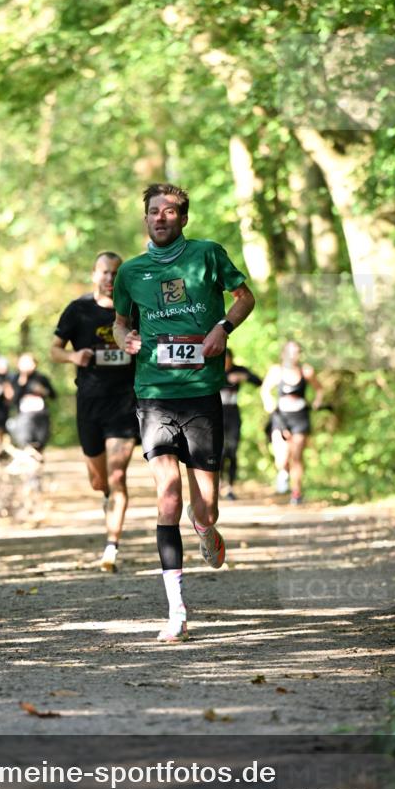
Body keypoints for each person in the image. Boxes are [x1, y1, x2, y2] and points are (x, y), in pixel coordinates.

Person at [113, 183, 255, 642]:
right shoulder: (131, 272)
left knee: (205, 507)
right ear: (146, 218)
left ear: (183, 218)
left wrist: (222, 328)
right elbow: (119, 321)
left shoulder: (208, 254)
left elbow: (245, 298)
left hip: (200, 394)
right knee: (168, 494)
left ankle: (204, 527)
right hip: (153, 393)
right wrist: (124, 340)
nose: (160, 218)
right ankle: (176, 611)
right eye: (153, 212)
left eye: (169, 212)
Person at [51, 252, 139, 572]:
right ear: (94, 275)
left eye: (116, 274)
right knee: (98, 480)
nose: (110, 279)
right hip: (89, 403)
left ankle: (111, 547)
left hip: (125, 402)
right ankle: (105, 495)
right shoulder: (78, 310)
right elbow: (54, 350)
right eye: (105, 272)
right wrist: (73, 358)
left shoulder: (132, 309)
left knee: (118, 476)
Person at [260, 340, 324, 505]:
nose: (294, 355)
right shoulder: (276, 371)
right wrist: (268, 401)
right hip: (280, 417)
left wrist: (317, 402)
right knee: (281, 458)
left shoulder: (306, 371)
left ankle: (296, 492)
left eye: (297, 351)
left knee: (296, 456)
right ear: (283, 354)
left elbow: (319, 389)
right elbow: (265, 390)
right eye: (290, 351)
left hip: (300, 418)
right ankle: (283, 472)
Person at [220, 349, 262, 500]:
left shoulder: (238, 370)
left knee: (232, 451)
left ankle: (230, 487)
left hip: (233, 414)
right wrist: (225, 379)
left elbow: (258, 381)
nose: (226, 362)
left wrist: (243, 376)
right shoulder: (213, 369)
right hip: (216, 414)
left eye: (228, 359)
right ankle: (218, 484)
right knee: (219, 452)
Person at [6, 353, 57, 455]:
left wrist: (43, 391)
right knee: (25, 441)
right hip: (24, 416)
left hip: (41, 415)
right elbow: (12, 400)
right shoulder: (15, 379)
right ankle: (29, 464)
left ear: (35, 364)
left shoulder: (41, 378)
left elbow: (53, 395)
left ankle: (38, 462)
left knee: (40, 442)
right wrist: (21, 384)